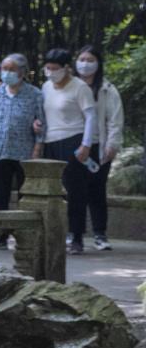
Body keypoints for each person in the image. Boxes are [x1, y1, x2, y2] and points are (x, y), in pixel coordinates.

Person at [68, 45, 124, 254]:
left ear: (98, 63)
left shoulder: (107, 89)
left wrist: (112, 145)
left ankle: (100, 234)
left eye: (90, 59)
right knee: (75, 192)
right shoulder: (68, 86)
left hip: (98, 147)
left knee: (97, 191)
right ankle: (75, 234)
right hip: (72, 144)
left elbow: (115, 120)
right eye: (81, 58)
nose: (85, 63)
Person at [39, 48, 95, 251]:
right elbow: (44, 112)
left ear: (66, 68)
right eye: (48, 68)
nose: (51, 72)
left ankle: (77, 235)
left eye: (55, 69)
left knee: (75, 190)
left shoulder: (79, 88)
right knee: (53, 190)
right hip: (50, 141)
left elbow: (90, 116)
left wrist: (86, 144)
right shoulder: (46, 87)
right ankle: (54, 233)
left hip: (73, 139)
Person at [0, 52, 42, 219]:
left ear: (22, 72)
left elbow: (41, 122)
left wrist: (37, 149)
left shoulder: (35, 94)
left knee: (25, 193)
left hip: (25, 152)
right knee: (0, 195)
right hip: (0, 151)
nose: (7, 72)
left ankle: (25, 234)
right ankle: (1, 234)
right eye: (4, 69)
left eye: (11, 69)